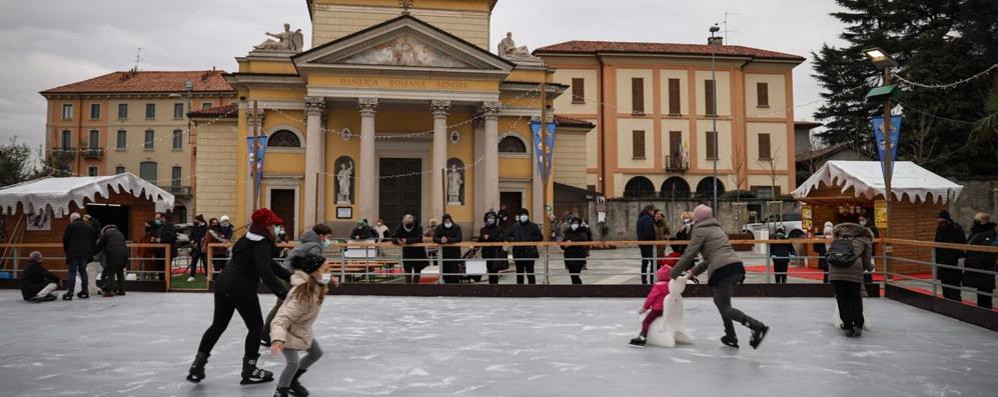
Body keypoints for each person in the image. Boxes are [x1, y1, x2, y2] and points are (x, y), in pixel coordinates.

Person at [187, 208, 291, 385]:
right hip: (241, 288)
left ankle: (197, 365)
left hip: (223, 284)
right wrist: (284, 293)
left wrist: (289, 277)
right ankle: (249, 369)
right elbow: (265, 271)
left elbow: (269, 264)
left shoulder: (247, 238)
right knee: (256, 328)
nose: (275, 228)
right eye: (273, 224)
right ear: (266, 226)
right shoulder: (262, 243)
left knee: (218, 326)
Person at [670, 205, 769, 349]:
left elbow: (689, 253)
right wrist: (693, 272)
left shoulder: (699, 230)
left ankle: (757, 326)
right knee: (721, 302)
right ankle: (730, 336)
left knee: (725, 308)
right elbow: (711, 257)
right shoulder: (717, 228)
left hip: (723, 270)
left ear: (697, 218)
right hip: (735, 266)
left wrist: (673, 274)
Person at [270, 254, 337, 397]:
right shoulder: (302, 296)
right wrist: (278, 339)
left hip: (301, 330)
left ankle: (292, 380)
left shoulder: (316, 284)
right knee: (292, 363)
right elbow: (282, 319)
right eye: (326, 270)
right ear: (313, 273)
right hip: (286, 332)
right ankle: (281, 391)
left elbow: (324, 277)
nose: (329, 273)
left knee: (316, 353)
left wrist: (332, 280)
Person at [263, 223, 333, 346]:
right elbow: (316, 267)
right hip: (291, 277)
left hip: (288, 275)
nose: (327, 240)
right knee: (284, 306)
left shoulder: (307, 243)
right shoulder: (315, 246)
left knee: (282, 305)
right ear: (321, 236)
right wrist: (329, 278)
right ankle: (269, 334)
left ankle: (269, 334)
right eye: (327, 237)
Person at [829, 222, 874, 337]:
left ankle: (847, 326)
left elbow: (830, 253)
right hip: (854, 271)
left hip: (835, 270)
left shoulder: (838, 237)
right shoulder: (865, 239)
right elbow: (867, 261)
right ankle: (858, 325)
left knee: (842, 298)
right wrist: (869, 268)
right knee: (855, 298)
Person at [629, 265, 673, 347]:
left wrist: (645, 308)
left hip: (658, 310)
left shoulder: (658, 286)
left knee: (646, 321)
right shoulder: (671, 285)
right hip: (668, 309)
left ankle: (643, 336)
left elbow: (651, 298)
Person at [964, 212, 997, 309]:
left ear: (984, 222)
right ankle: (981, 311)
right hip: (977, 268)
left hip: (985, 269)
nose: (975, 223)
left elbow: (987, 252)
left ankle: (986, 313)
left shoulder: (989, 234)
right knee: (980, 292)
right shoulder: (976, 232)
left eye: (977, 221)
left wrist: (977, 264)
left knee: (986, 294)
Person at [62, 212, 97, 300]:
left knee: (72, 272)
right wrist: (90, 252)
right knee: (83, 271)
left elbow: (65, 240)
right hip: (85, 254)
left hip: (73, 253)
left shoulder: (70, 226)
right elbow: (93, 240)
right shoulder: (88, 227)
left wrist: (67, 251)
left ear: (72, 219)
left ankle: (70, 292)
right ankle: (85, 291)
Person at [934, 210, 967, 302]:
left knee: (955, 287)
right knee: (945, 287)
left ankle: (957, 305)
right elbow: (936, 243)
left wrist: (954, 257)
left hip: (954, 263)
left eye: (942, 221)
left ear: (947, 220)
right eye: (939, 221)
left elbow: (962, 244)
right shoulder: (939, 228)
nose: (940, 223)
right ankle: (946, 304)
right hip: (942, 262)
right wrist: (937, 261)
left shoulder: (957, 229)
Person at [509, 208, 543, 285]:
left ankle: (532, 288)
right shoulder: (515, 226)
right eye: (522, 215)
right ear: (519, 216)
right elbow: (509, 236)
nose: (523, 216)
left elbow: (540, 237)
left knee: (530, 272)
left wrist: (530, 240)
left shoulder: (533, 226)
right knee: (519, 273)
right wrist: (512, 239)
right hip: (518, 252)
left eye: (525, 215)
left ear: (528, 216)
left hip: (529, 252)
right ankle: (519, 289)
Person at [96, 224, 129, 297]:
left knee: (111, 273)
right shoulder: (120, 234)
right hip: (123, 256)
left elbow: (100, 245)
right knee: (120, 273)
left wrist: (94, 251)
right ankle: (122, 290)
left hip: (112, 256)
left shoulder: (107, 234)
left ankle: (109, 291)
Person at [394, 215, 428, 284]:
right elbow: (394, 236)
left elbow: (418, 238)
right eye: (406, 218)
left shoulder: (418, 226)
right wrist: (398, 241)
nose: (408, 220)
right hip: (407, 252)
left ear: (413, 219)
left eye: (410, 218)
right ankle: (408, 287)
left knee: (417, 272)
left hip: (418, 252)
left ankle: (416, 287)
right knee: (407, 272)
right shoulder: (401, 227)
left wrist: (406, 241)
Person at [433, 214, 463, 284]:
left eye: (448, 221)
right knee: (445, 272)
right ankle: (446, 285)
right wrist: (441, 240)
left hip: (455, 253)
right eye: (445, 221)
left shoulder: (456, 227)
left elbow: (459, 238)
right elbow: (435, 238)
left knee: (455, 271)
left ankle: (456, 287)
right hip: (444, 253)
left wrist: (448, 240)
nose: (447, 222)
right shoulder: (439, 227)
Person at [478, 211, 506, 284]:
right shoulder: (483, 229)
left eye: (493, 218)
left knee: (494, 271)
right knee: (489, 270)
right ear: (486, 219)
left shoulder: (499, 229)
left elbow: (501, 240)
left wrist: (490, 237)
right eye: (489, 218)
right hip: (486, 253)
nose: (491, 219)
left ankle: (495, 287)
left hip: (496, 253)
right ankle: (491, 286)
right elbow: (480, 240)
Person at [561, 216, 591, 285]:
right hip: (569, 255)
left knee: (576, 274)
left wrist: (571, 242)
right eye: (573, 222)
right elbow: (563, 243)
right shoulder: (568, 231)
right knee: (572, 274)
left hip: (579, 255)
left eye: (576, 222)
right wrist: (564, 245)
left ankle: (578, 287)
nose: (574, 224)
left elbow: (584, 240)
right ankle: (576, 287)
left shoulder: (583, 231)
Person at [636, 205, 657, 284]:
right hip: (648, 244)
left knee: (644, 262)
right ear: (649, 210)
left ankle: (644, 281)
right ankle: (652, 281)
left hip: (642, 244)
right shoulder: (648, 218)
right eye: (653, 211)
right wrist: (652, 239)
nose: (653, 213)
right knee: (653, 262)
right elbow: (648, 231)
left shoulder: (640, 219)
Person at [155, 212, 178, 281]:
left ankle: (167, 283)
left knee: (166, 267)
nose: (157, 220)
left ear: (163, 218)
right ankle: (160, 283)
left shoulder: (170, 225)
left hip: (168, 251)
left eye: (158, 218)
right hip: (159, 251)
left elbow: (173, 237)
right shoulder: (158, 226)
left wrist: (161, 240)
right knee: (160, 267)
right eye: (156, 218)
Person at [188, 215, 208, 282]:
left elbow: (206, 237)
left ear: (199, 220)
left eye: (195, 219)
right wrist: (193, 241)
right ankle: (192, 276)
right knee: (193, 262)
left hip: (203, 248)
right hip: (196, 248)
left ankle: (207, 276)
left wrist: (202, 240)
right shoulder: (194, 227)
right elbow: (190, 236)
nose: (194, 221)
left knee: (205, 262)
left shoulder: (206, 227)